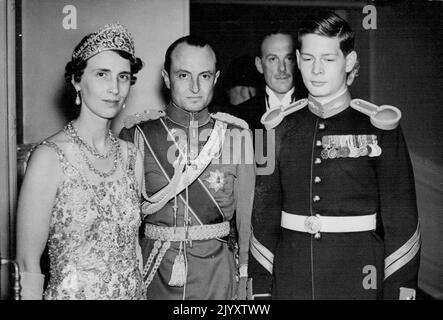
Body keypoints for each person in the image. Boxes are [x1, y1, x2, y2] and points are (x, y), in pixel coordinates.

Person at [262, 11, 420, 300]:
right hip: (291, 280)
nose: (317, 70)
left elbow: (403, 221)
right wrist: (260, 289)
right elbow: (264, 218)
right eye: (308, 59)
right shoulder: (276, 127)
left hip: (358, 279)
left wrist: (398, 291)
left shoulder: (379, 126)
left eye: (329, 59)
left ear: (348, 61)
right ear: (298, 60)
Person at [15, 23, 146, 300]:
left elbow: (133, 248)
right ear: (77, 80)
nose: (114, 88)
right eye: (102, 74)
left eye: (123, 76)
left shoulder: (131, 156)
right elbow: (27, 265)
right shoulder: (49, 157)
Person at [119, 36, 255, 300]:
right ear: (167, 78)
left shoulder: (235, 136)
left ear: (215, 79)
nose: (195, 87)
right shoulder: (138, 135)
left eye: (204, 76)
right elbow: (124, 224)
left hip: (216, 275)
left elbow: (246, 218)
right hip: (153, 273)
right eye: (183, 75)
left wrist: (244, 273)